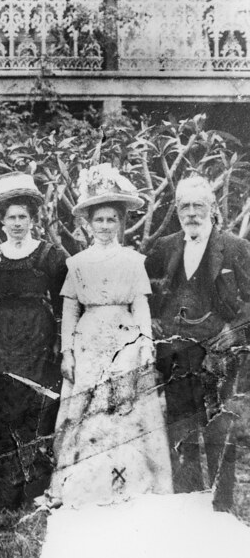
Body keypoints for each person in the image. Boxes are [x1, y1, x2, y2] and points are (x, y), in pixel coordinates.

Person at [49, 164, 172, 506]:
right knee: (86, 409)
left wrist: (145, 343)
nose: (104, 226)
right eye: (99, 220)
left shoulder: (133, 260)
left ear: (121, 222)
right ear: (88, 224)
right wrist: (68, 352)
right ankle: (82, 484)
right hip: (89, 342)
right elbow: (70, 310)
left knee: (126, 409)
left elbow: (140, 304)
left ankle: (131, 481)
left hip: (124, 340)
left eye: (111, 220)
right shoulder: (77, 263)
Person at [146, 174, 250, 512]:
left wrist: (235, 329)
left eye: (198, 205)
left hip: (217, 353)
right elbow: (146, 292)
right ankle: (190, 506)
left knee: (219, 428)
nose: (191, 213)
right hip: (175, 352)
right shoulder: (165, 247)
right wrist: (153, 319)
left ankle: (221, 507)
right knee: (182, 430)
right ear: (176, 210)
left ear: (212, 207)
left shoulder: (233, 247)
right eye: (184, 206)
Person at [0, 172, 68, 507]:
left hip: (38, 338)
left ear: (32, 220)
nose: (16, 223)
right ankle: (4, 492)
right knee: (4, 411)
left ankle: (34, 489)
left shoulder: (50, 256)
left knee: (35, 409)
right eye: (11, 218)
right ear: (1, 221)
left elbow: (63, 303)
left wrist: (58, 341)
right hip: (1, 340)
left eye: (22, 217)